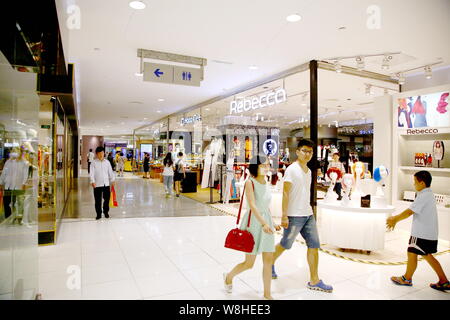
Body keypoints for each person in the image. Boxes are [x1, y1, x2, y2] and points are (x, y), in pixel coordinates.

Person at [272, 139, 333, 293]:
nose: (307, 154)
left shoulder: (309, 171)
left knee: (314, 245)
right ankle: (269, 261)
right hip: (294, 215)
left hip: (308, 214)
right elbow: (285, 192)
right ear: (297, 151)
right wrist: (284, 216)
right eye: (304, 151)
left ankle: (314, 280)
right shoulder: (292, 170)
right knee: (286, 244)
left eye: (310, 152)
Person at [223, 155, 281, 300]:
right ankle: (228, 276)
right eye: (263, 165)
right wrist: (264, 223)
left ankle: (267, 294)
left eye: (268, 165)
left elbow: (265, 206)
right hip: (253, 223)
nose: (267, 168)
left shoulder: (266, 181)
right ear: (256, 167)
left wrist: (272, 222)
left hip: (266, 222)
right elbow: (253, 206)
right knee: (249, 263)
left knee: (268, 260)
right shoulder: (250, 182)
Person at [387, 171, 449, 291]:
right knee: (426, 255)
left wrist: (395, 219)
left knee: (412, 252)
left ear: (422, 183)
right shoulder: (429, 194)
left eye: (415, 182)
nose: (414, 185)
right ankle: (444, 281)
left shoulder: (424, 195)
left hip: (421, 234)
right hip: (428, 233)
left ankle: (406, 279)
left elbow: (410, 211)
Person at [0, 149, 29, 220]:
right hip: (8, 186)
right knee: (7, 202)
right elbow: (4, 173)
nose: (13, 154)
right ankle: (8, 218)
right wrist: (1, 182)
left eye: (15, 152)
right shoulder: (8, 162)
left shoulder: (24, 162)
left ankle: (19, 218)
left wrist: (23, 183)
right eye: (12, 152)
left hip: (18, 185)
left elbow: (25, 174)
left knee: (20, 202)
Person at [90, 146, 115, 220]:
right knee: (97, 200)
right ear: (96, 154)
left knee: (107, 199)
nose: (101, 155)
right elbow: (91, 173)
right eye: (99, 153)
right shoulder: (93, 163)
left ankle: (106, 212)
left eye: (102, 153)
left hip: (106, 184)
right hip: (97, 184)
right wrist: (92, 181)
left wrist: (112, 180)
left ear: (104, 153)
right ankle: (98, 214)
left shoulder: (107, 162)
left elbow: (110, 172)